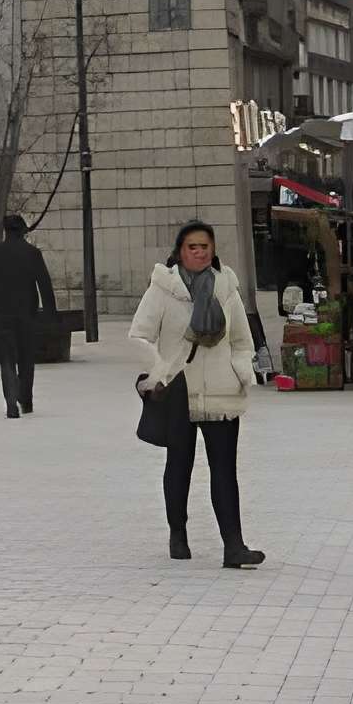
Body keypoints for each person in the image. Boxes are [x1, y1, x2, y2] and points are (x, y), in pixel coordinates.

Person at [130, 219, 265, 569]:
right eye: (193, 246)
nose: (200, 251)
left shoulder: (226, 286)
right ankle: (178, 534)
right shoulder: (163, 289)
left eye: (205, 245)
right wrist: (159, 371)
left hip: (221, 390)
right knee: (180, 465)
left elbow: (240, 339)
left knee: (224, 470)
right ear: (180, 251)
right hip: (178, 389)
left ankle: (233, 547)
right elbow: (139, 335)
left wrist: (241, 370)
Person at [0, 214, 56, 417]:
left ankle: (11, 401)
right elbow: (45, 285)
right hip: (27, 313)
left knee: (7, 357)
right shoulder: (32, 253)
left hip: (3, 313)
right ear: (22, 231)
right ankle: (26, 400)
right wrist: (50, 315)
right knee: (27, 357)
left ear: (5, 230)